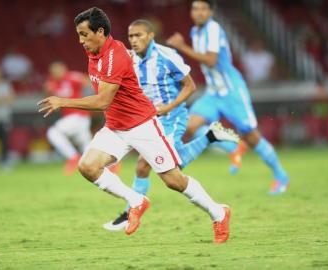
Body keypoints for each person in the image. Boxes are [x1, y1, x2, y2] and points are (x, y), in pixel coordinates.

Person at [38, 7, 231, 243]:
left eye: (84, 34)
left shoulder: (114, 56)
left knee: (174, 180)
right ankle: (137, 200)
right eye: (78, 35)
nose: (81, 41)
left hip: (142, 125)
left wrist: (63, 101)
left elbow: (102, 101)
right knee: (88, 167)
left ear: (100, 31)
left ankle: (219, 213)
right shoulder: (94, 53)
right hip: (116, 127)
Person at [103, 19, 238, 231]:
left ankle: (130, 213)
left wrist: (168, 107)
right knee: (164, 168)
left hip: (172, 117)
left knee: (157, 168)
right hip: (148, 119)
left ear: (151, 35)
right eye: (131, 36)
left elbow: (190, 86)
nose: (134, 40)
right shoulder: (130, 58)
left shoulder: (166, 57)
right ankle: (211, 137)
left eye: (139, 35)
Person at [167, 0, 289, 194]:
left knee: (253, 137)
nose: (198, 13)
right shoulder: (195, 32)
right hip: (213, 92)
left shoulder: (213, 29)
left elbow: (211, 60)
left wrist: (182, 47)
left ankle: (281, 176)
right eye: (195, 9)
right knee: (190, 125)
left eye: (203, 9)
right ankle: (233, 148)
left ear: (211, 12)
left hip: (231, 91)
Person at [45, 61, 93, 175]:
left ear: (64, 69)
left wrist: (91, 99)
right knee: (88, 150)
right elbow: (50, 100)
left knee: (53, 132)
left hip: (78, 115)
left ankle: (73, 157)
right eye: (53, 71)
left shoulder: (72, 77)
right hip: (75, 118)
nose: (56, 73)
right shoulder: (53, 83)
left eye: (58, 70)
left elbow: (88, 81)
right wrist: (47, 91)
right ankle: (112, 164)